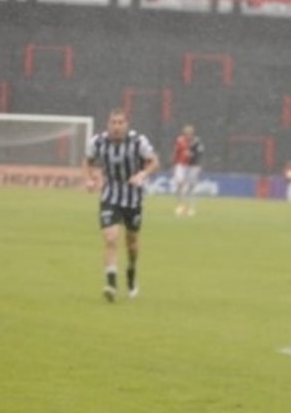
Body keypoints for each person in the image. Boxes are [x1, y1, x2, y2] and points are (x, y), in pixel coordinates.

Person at [84, 107, 159, 302]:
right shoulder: (98, 142)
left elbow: (153, 162)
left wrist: (142, 174)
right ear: (108, 124)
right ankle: (111, 284)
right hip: (110, 196)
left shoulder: (138, 142)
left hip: (133, 198)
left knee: (131, 243)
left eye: (120, 123)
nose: (116, 127)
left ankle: (131, 274)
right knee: (111, 237)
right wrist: (90, 178)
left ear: (126, 125)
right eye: (113, 123)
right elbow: (88, 160)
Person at [171, 123, 204, 217]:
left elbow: (199, 154)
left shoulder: (197, 141)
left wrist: (199, 165)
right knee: (179, 183)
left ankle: (191, 207)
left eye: (191, 133)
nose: (189, 135)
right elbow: (176, 152)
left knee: (192, 187)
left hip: (192, 166)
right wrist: (174, 163)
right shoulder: (180, 140)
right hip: (181, 165)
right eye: (187, 133)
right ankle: (181, 205)